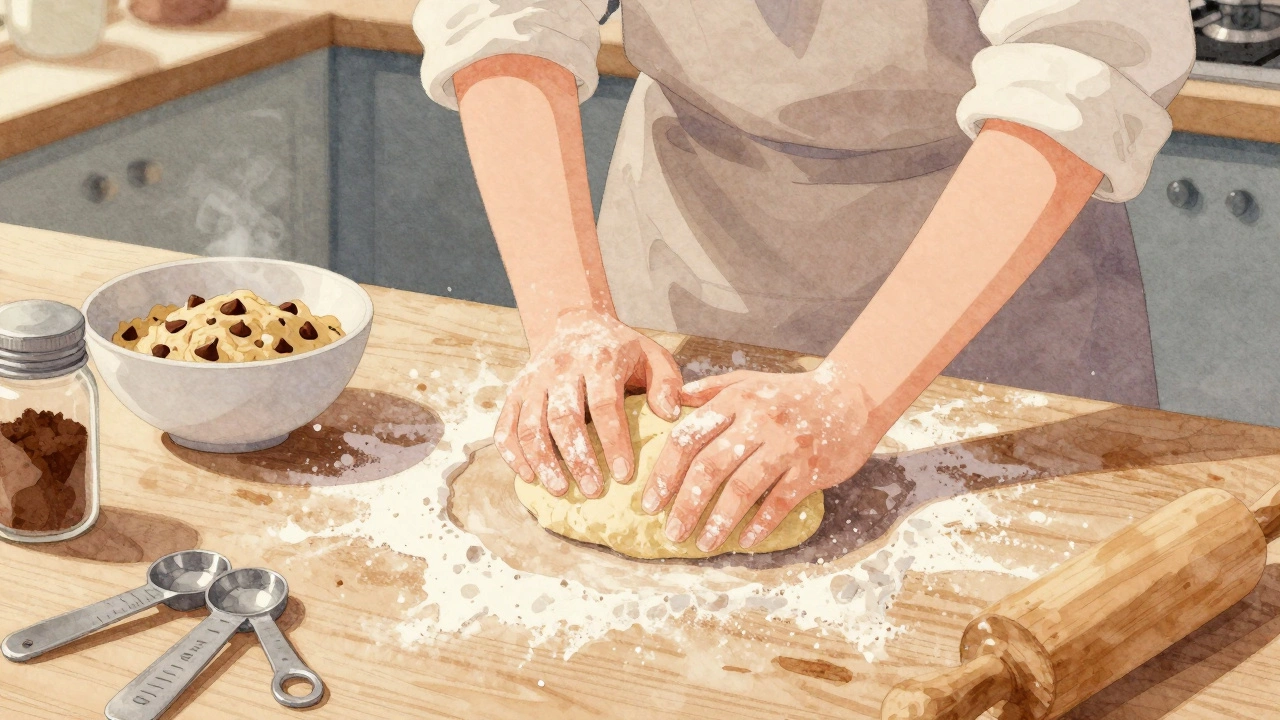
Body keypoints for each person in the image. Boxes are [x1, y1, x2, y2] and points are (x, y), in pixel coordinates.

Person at [414, 1, 1195, 553]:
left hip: (993, 281)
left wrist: (853, 393)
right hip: (690, 243)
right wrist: (569, 320)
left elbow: (1083, 61)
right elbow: (502, 16)